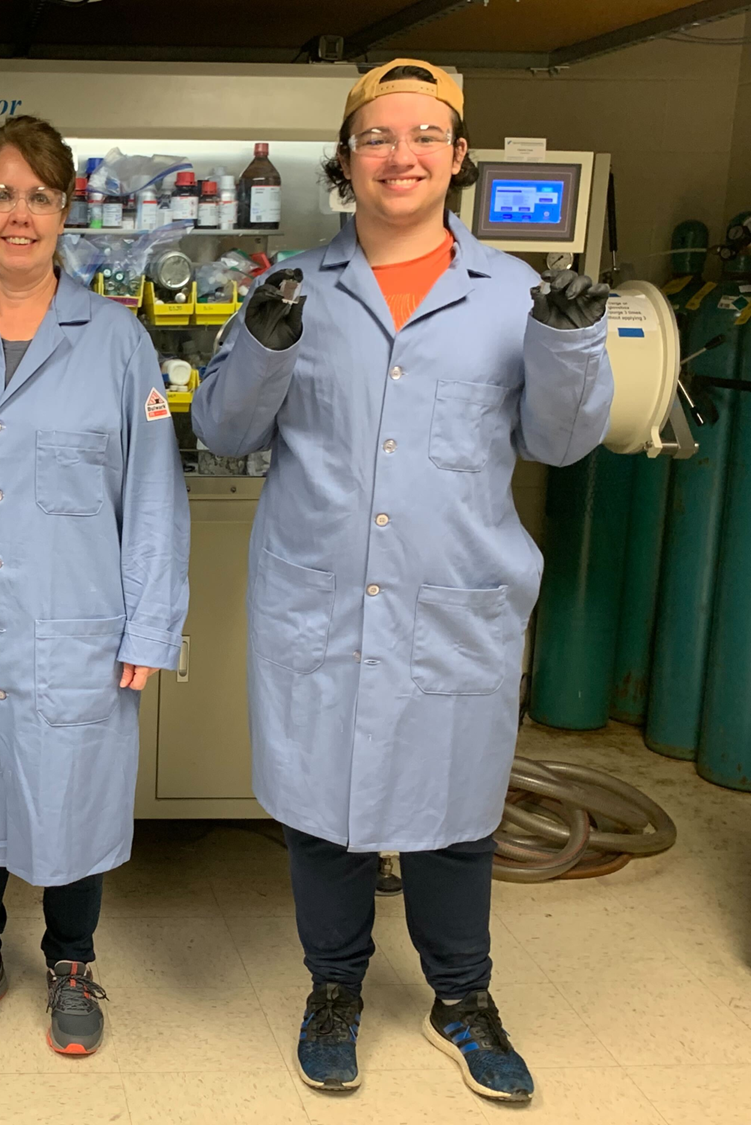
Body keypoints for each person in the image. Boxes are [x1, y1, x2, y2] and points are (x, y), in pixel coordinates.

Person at [192, 60, 613, 1102]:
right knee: (323, 812)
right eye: (379, 136)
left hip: (455, 596)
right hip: (323, 595)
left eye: (426, 136)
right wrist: (260, 345)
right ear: (347, 159)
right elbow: (224, 431)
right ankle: (333, 988)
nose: (402, 155)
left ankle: (461, 999)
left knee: (457, 813)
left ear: (458, 157)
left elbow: (560, 444)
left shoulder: (514, 292)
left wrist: (570, 344)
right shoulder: (290, 287)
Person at [0, 116, 190, 1056]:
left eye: (41, 197)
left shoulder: (118, 342)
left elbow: (153, 497)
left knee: (73, 796)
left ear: (66, 212)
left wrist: (149, 629)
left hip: (78, 630)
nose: (21, 215)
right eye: (3, 194)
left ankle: (71, 960)